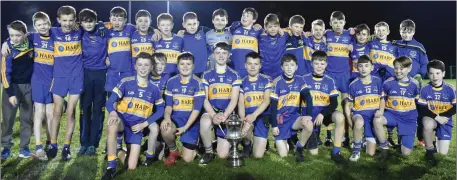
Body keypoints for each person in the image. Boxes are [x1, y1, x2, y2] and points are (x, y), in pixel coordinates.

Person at [102, 52, 164, 180]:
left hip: (137, 126)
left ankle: (118, 150)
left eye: (146, 65)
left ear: (151, 67)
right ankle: (111, 167)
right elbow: (110, 101)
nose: (143, 68)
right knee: (112, 122)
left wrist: (145, 124)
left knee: (131, 167)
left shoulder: (154, 89)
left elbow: (161, 110)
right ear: (135, 66)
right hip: (122, 121)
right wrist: (113, 112)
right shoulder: (126, 82)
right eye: (140, 64)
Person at [47, 5, 84, 161]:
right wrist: (7, 42)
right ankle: (53, 143)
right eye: (64, 20)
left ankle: (66, 147)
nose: (68, 23)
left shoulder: (80, 31)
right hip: (60, 77)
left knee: (71, 111)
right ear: (58, 20)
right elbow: (29, 35)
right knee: (57, 111)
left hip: (76, 76)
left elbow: (100, 24)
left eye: (70, 20)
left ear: (74, 20)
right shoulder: (53, 32)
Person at [301, 51, 347, 165]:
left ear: (326, 64)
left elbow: (334, 104)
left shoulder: (330, 80)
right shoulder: (304, 79)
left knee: (340, 117)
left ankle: (336, 151)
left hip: (324, 114)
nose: (319, 66)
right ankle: (308, 137)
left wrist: (322, 113)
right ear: (311, 64)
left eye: (322, 64)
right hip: (310, 116)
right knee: (313, 153)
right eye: (316, 63)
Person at [373, 56, 420, 166]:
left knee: (406, 153)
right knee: (377, 120)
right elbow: (383, 98)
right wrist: (380, 110)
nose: (398, 71)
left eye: (402, 68)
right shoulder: (388, 83)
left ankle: (403, 140)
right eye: (396, 68)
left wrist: (416, 120)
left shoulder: (415, 84)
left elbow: (418, 103)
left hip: (408, 118)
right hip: (392, 114)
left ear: (409, 68)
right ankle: (384, 148)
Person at [199, 42, 241, 165]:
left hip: (227, 114)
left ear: (229, 55)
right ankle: (208, 152)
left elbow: (234, 100)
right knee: (205, 121)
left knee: (222, 155)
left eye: (224, 53)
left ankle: (216, 140)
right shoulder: (206, 75)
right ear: (213, 55)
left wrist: (225, 115)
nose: (221, 56)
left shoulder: (235, 75)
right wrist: (213, 115)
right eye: (218, 53)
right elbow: (204, 99)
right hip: (211, 112)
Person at [161, 52, 205, 166]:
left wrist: (185, 127)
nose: (185, 67)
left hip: (191, 122)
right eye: (182, 64)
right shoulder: (171, 81)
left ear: (193, 66)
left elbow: (196, 109)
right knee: (165, 128)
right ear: (177, 66)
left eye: (188, 64)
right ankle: (173, 150)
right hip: (176, 119)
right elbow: (169, 106)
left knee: (187, 159)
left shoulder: (198, 83)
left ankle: (197, 144)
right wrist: (167, 118)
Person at [1, 20, 34, 160]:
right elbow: (4, 73)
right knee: (8, 120)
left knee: (27, 119)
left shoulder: (31, 44)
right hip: (11, 88)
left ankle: (24, 148)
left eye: (18, 35)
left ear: (25, 35)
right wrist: (10, 94)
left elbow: (44, 32)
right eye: (12, 35)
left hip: (28, 87)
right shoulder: (8, 49)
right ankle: (5, 147)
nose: (15, 38)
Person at [78, 8, 109, 156]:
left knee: (98, 110)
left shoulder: (104, 31)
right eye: (85, 22)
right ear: (81, 23)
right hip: (85, 74)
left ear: (96, 22)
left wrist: (102, 24)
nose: (88, 24)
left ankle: (93, 144)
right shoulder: (79, 32)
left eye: (91, 21)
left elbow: (123, 27)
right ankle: (83, 143)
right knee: (84, 109)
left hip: (101, 74)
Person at [269, 54, 309, 158]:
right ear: (282, 67)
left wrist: (307, 115)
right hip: (281, 120)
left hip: (294, 117)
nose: (289, 68)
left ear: (296, 67)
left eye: (292, 65)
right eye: (286, 65)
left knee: (309, 124)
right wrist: (274, 125)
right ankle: (284, 140)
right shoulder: (277, 82)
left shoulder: (300, 80)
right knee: (284, 155)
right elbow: (273, 107)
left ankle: (299, 148)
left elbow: (308, 98)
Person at [418, 59, 455, 165]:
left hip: (445, 120)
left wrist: (442, 116)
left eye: (438, 73)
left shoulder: (450, 89)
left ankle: (435, 141)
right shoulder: (425, 89)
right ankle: (429, 150)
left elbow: (455, 107)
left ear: (443, 73)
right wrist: (436, 116)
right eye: (431, 73)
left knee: (442, 153)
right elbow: (422, 108)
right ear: (428, 74)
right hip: (431, 117)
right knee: (427, 124)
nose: (435, 76)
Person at [346, 55, 383, 161]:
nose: (363, 69)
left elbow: (382, 99)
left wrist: (380, 110)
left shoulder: (378, 81)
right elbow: (347, 104)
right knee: (358, 122)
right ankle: (356, 151)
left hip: (372, 117)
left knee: (371, 153)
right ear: (357, 68)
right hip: (359, 114)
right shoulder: (353, 84)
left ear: (372, 67)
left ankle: (362, 141)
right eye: (360, 66)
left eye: (366, 66)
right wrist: (349, 120)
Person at [238, 52, 272, 158]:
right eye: (249, 63)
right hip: (247, 117)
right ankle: (247, 144)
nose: (252, 67)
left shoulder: (267, 79)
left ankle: (261, 141)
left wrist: (254, 115)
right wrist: (243, 119)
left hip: (261, 116)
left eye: (256, 64)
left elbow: (266, 101)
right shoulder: (241, 82)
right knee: (244, 129)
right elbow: (240, 103)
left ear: (260, 66)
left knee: (257, 155)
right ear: (245, 65)